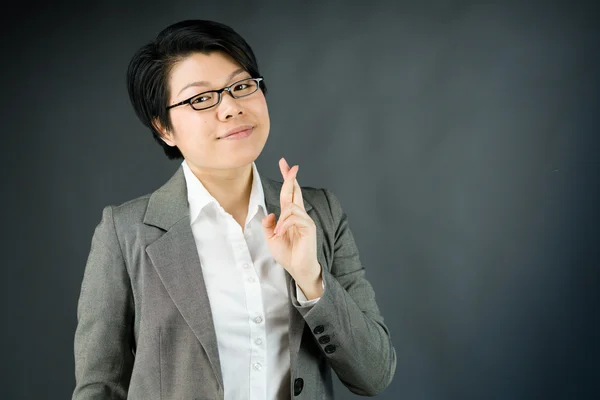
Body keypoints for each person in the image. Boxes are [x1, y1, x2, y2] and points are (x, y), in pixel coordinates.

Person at [72, 19, 396, 400]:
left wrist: (311, 278)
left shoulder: (318, 213)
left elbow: (374, 376)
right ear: (164, 127)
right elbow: (99, 389)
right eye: (201, 98)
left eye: (241, 86)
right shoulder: (125, 232)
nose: (230, 108)